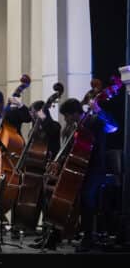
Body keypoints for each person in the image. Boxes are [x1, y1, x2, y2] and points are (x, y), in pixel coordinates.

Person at [43, 98, 111, 251]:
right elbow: (69, 151)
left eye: (66, 115)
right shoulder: (73, 128)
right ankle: (55, 234)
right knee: (58, 193)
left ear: (74, 113)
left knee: (86, 196)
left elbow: (113, 126)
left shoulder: (93, 121)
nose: (65, 119)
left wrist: (99, 110)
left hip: (94, 169)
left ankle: (88, 237)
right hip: (78, 167)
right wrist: (58, 162)